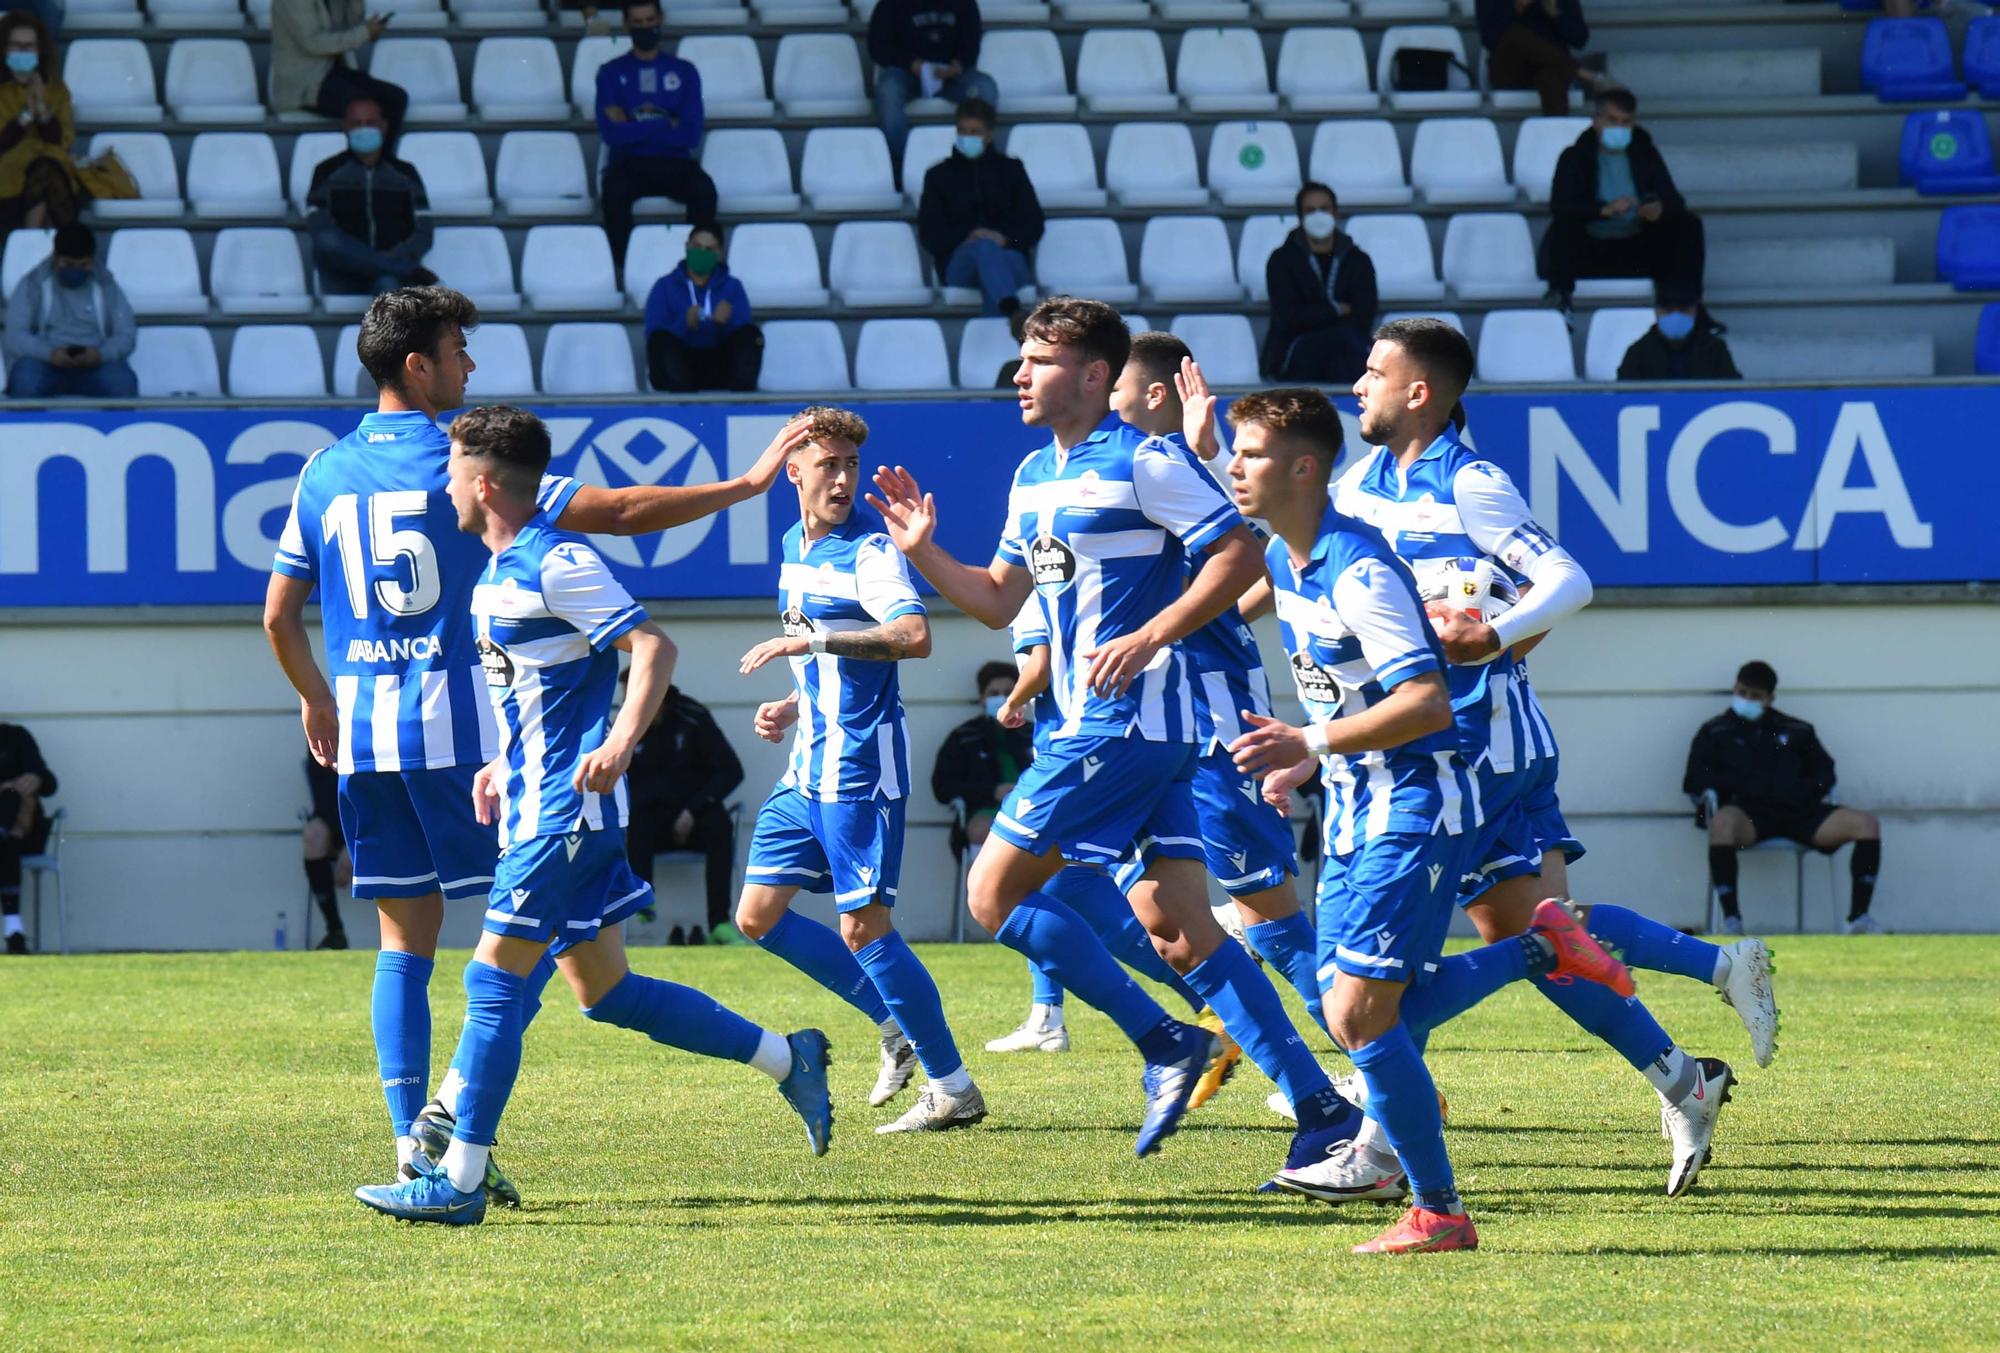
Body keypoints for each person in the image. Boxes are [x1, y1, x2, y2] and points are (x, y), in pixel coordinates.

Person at [264, 284, 817, 1203]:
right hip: (482, 748)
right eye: (457, 349)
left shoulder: (321, 471)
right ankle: (457, 1142)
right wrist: (748, 485)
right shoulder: (463, 460)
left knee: (409, 945)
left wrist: (316, 700)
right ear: (418, 364)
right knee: (546, 961)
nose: (468, 364)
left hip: (366, 737)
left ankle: (420, 1142)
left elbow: (280, 615)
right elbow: (626, 509)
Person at [867, 295, 1359, 1172]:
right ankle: (1320, 1107)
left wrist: (1152, 632)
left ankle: (1167, 1040)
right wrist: (921, 550)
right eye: (1022, 359)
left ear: (1095, 374)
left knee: (992, 893)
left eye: (1039, 361)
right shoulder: (1032, 476)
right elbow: (996, 601)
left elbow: (1241, 555)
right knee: (1178, 928)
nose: (1020, 374)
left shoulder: (1147, 460)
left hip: (1123, 722)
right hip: (1143, 733)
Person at [352, 405, 834, 1227]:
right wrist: (503, 762)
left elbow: (653, 647)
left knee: (491, 981)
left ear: (482, 482)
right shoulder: (499, 570)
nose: (444, 487)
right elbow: (541, 686)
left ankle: (459, 1176)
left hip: (562, 815)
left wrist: (617, 742)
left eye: (452, 472)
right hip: (539, 801)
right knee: (604, 989)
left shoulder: (555, 559)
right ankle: (791, 1057)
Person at [1328, 318, 1768, 1201]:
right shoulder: (1359, 482)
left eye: (1375, 372)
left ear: (1421, 391)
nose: (1358, 385)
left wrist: (1492, 632)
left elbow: (1568, 578)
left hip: (1481, 752)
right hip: (1427, 749)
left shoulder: (1471, 482)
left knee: (1425, 953)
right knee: (1538, 935)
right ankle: (1691, 1061)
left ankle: (1381, 1139)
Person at [1219, 386, 1633, 1253]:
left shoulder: (1356, 568)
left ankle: (1439, 1209)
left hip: (1413, 805)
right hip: (1352, 806)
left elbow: (1428, 702)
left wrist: (1311, 737)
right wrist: (1308, 755)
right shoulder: (1288, 561)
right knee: (1363, 1013)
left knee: (1363, 1016)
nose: (1233, 466)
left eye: (1248, 453)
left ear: (1303, 466)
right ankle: (1540, 949)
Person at [732, 406, 986, 1135]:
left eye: (850, 464)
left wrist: (809, 650)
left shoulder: (870, 551)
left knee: (865, 928)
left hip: (859, 768)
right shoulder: (791, 541)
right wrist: (791, 699)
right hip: (806, 760)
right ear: (794, 469)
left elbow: (913, 635)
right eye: (828, 464)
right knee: (757, 915)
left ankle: (952, 1085)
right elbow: (828, 653)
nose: (841, 478)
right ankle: (892, 1021)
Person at [1686, 660, 1884, 936]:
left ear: (1770, 698)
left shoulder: (1797, 730)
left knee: (1866, 824)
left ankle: (1858, 919)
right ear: (1734, 688)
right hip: (1749, 815)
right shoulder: (1715, 732)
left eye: (1756, 696)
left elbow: (1825, 772)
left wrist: (1800, 791)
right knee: (1721, 824)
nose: (1747, 700)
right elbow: (1695, 779)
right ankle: (1731, 921)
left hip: (1800, 813)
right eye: (1742, 692)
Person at [1539, 88, 1704, 314]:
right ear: (1596, 121)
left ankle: (1684, 306)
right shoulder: (1574, 157)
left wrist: (1659, 209)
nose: (1619, 128)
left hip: (1636, 245)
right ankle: (1559, 300)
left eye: (1625, 122)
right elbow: (1560, 206)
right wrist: (1603, 210)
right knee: (1564, 226)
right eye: (1612, 120)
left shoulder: (1646, 154)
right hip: (1589, 250)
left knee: (1687, 224)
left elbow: (1675, 201)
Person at [597, 0, 718, 276]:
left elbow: (690, 134)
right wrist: (666, 122)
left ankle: (697, 268)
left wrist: (633, 124)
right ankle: (625, 270)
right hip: (628, 163)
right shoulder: (610, 73)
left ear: (661, 19)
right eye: (638, 23)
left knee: (704, 191)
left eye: (650, 20)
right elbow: (612, 134)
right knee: (614, 193)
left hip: (674, 162)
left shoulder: (685, 72)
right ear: (626, 25)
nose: (645, 28)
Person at [624, 681, 744, 946]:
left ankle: (719, 924)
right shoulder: (625, 724)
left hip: (694, 816)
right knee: (634, 820)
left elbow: (731, 770)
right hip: (651, 823)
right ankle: (642, 904)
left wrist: (693, 810)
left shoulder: (693, 718)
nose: (629, 704)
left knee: (719, 825)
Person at [916, 97, 1042, 319]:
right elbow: (929, 233)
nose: (967, 137)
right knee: (984, 248)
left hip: (1009, 254)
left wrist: (1003, 239)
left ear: (989, 135)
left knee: (992, 266)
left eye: (975, 132)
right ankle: (1013, 313)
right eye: (962, 131)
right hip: (959, 262)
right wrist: (969, 237)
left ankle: (1007, 320)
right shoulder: (938, 176)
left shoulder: (1011, 170)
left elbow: (1033, 224)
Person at [305, 97, 436, 299]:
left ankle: (393, 269)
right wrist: (394, 265)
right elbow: (320, 227)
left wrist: (390, 259)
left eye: (370, 123)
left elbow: (424, 231)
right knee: (326, 240)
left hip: (388, 275)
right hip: (342, 273)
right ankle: (403, 269)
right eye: (357, 124)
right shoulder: (326, 172)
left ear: (384, 126)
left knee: (388, 285)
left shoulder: (405, 174)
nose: (363, 129)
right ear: (346, 128)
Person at [1261, 183, 1377, 386]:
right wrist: (1337, 309)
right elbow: (1287, 317)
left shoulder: (1358, 260)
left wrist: (1313, 313)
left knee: (1344, 349)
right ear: (1300, 217)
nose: (1318, 215)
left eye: (1324, 209)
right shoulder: (1281, 260)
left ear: (1335, 213)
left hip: (1346, 349)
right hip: (1297, 350)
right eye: (1310, 210)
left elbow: (1364, 314)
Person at [4, 221, 136, 398]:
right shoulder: (33, 283)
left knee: (123, 383)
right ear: (55, 257)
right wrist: (49, 354)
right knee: (26, 380)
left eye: (84, 265)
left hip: (96, 363)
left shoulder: (107, 285)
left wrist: (100, 355)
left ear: (93, 259)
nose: (76, 270)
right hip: (45, 362)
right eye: (68, 264)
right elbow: (14, 334)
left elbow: (127, 334)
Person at [867, 0, 996, 172]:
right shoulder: (890, 4)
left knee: (985, 87)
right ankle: (900, 164)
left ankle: (981, 159)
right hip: (907, 73)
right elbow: (877, 47)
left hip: (952, 76)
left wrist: (958, 65)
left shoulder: (965, 3)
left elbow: (971, 43)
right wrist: (912, 64)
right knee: (889, 90)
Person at [931, 660, 1033, 857]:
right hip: (985, 811)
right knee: (983, 831)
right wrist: (992, 792)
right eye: (994, 694)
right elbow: (943, 787)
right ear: (982, 698)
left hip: (1031, 809)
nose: (1002, 698)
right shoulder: (964, 737)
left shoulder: (1034, 733)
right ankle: (982, 886)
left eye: (1008, 692)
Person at [642, 225, 761, 394]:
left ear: (719, 252)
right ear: (687, 246)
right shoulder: (664, 286)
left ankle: (740, 401)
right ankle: (682, 402)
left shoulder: (733, 287)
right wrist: (684, 323)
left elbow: (742, 332)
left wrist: (724, 323)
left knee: (751, 335)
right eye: (696, 247)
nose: (701, 253)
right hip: (680, 361)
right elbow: (653, 333)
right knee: (660, 341)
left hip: (720, 363)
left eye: (708, 249)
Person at [269, 0, 408, 141]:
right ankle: (359, 160)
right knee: (363, 106)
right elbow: (314, 43)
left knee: (396, 98)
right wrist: (365, 32)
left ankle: (383, 159)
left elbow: (352, 28)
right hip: (305, 84)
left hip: (335, 73)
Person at [0, 10, 77, 239]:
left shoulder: (57, 90)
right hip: (7, 181)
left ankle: (30, 244)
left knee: (46, 170)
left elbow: (61, 140)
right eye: (16, 46)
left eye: (29, 46)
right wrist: (26, 114)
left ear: (39, 50)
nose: (23, 52)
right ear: (4, 49)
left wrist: (42, 108)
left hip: (50, 175)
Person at [1478, 0, 1606, 117]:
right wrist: (1517, 8)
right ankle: (1581, 72)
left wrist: (1555, 15)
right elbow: (1488, 38)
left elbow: (1580, 39)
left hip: (1552, 67)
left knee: (1551, 77)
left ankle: (1557, 135)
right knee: (1516, 34)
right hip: (1509, 71)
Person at [0, 720, 56, 956]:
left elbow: (51, 784)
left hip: (28, 835)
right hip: (13, 840)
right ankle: (14, 932)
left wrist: (36, 778)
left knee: (13, 796)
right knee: (7, 844)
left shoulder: (16, 736)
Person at [1617, 279, 1740, 382]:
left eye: (1683, 308)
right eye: (1668, 309)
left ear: (1695, 310)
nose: (1676, 314)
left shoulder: (1715, 350)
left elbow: (1733, 394)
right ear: (1657, 311)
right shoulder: (1638, 353)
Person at [303, 757, 351, 950]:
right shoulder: (322, 730)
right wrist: (345, 841)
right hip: (340, 820)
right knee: (313, 835)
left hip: (382, 820)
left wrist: (356, 842)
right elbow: (323, 795)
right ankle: (335, 931)